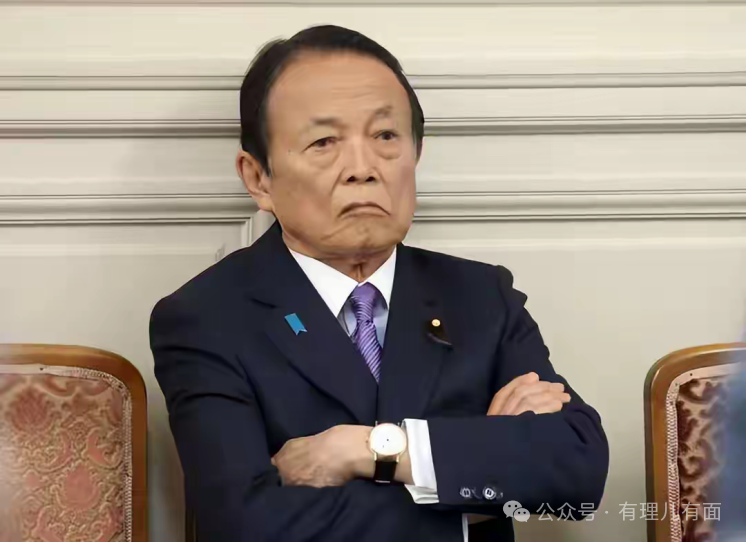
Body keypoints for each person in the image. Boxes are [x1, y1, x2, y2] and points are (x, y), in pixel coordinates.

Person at [150, 25, 609, 542]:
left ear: (417, 153)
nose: (362, 169)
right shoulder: (206, 318)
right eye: (324, 142)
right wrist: (475, 492)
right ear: (259, 178)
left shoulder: (480, 296)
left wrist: (362, 450)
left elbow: (576, 469)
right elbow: (245, 525)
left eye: (386, 136)